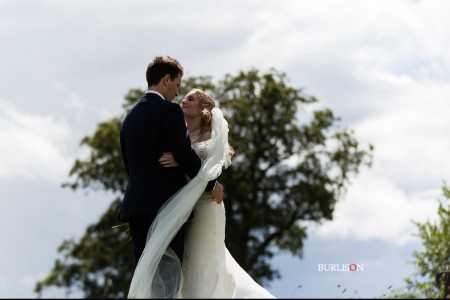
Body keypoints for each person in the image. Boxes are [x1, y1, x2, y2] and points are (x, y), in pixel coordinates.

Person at [128, 88, 276, 298]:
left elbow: (209, 171)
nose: (184, 100)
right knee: (188, 265)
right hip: (185, 209)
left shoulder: (209, 136)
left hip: (207, 206)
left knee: (205, 263)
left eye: (191, 99)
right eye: (185, 97)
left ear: (202, 109)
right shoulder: (180, 134)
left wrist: (181, 162)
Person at [118, 56, 223, 296]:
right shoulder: (168, 111)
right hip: (165, 206)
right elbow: (184, 153)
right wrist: (211, 184)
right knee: (168, 276)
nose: (177, 93)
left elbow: (131, 166)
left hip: (136, 208)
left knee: (147, 277)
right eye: (177, 85)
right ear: (166, 79)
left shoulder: (129, 118)